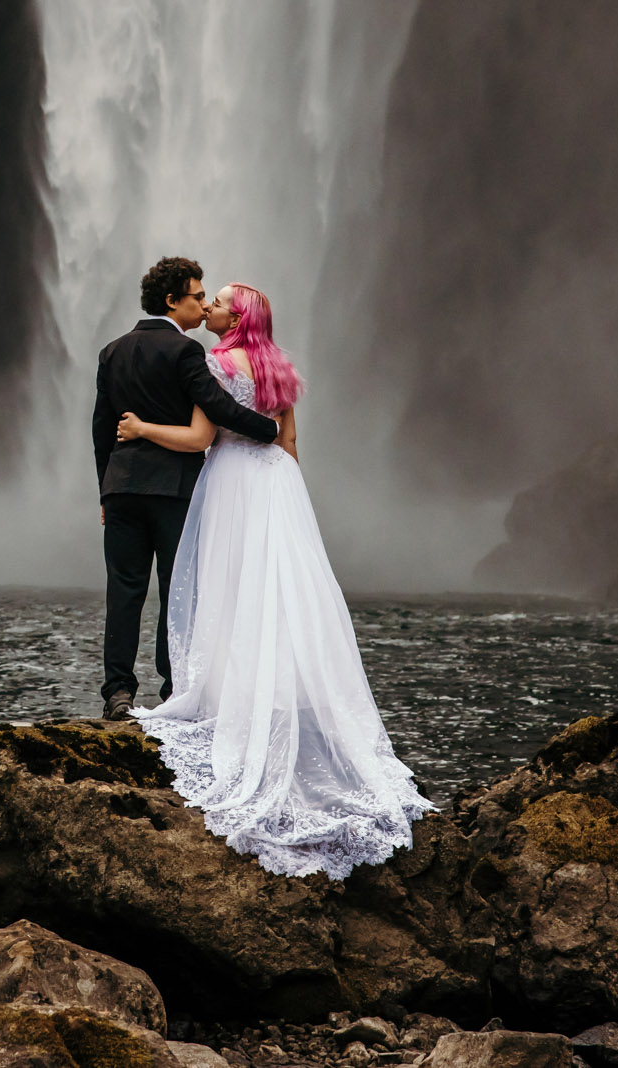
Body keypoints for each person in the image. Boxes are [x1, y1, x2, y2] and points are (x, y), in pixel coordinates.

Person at [112, 281, 433, 879]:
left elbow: (203, 439)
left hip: (232, 479)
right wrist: (289, 498)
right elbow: (288, 443)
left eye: (217, 302)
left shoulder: (212, 363)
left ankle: (229, 696)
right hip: (280, 485)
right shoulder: (280, 368)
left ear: (235, 316)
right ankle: (287, 696)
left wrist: (142, 431)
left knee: (232, 590)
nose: (207, 307)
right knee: (284, 592)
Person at [93, 256, 282, 721]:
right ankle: (172, 688)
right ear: (172, 301)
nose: (203, 304)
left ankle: (117, 693)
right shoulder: (185, 352)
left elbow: (101, 430)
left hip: (121, 489)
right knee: (176, 588)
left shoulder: (112, 351)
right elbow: (215, 404)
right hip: (174, 488)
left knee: (123, 589)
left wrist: (104, 490)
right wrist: (269, 430)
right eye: (197, 296)